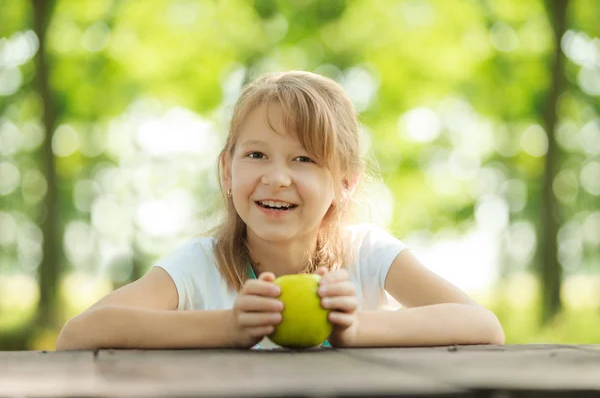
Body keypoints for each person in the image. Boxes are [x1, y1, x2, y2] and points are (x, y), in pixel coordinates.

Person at [56, 71, 504, 351]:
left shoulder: (366, 253)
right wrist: (228, 327)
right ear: (226, 172)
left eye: (304, 159)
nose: (276, 177)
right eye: (256, 155)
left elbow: (482, 325)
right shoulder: (201, 264)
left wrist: (356, 329)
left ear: (345, 184)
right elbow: (80, 334)